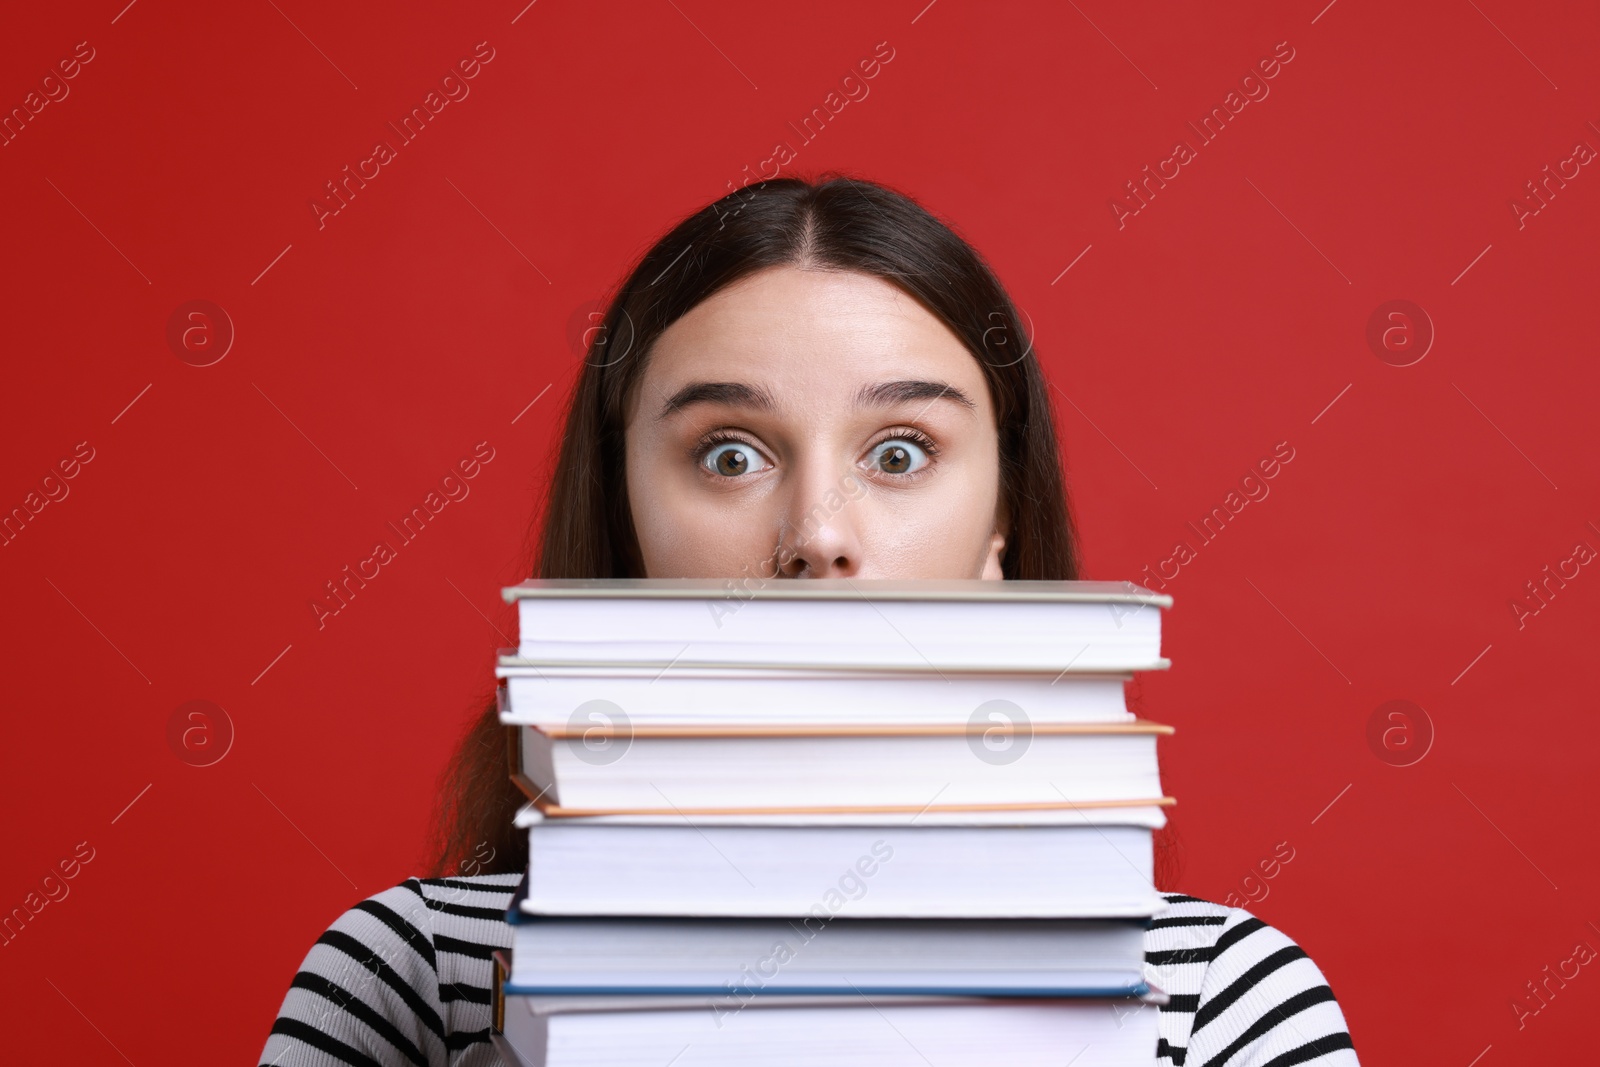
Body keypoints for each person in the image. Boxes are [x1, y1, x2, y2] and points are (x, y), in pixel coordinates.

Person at [258, 175, 1359, 1066]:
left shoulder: (1220, 995)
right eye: (729, 453)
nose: (816, 535)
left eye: (899, 452)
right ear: (626, 513)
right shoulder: (409, 976)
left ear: (1001, 523)